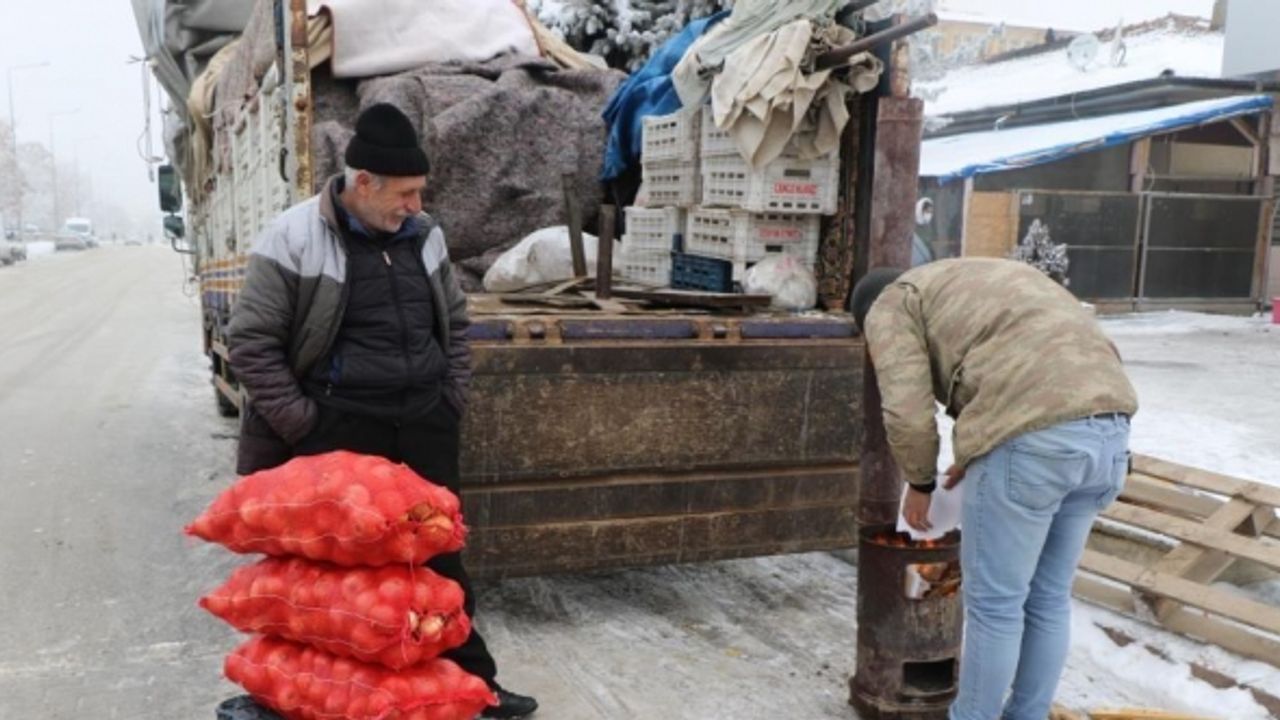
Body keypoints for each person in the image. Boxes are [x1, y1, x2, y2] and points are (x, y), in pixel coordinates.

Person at [227, 102, 537, 719]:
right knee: (330, 577)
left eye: (420, 193)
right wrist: (305, 426)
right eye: (406, 193)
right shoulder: (292, 236)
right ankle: (305, 695)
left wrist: (449, 396)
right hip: (340, 431)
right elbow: (252, 344)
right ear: (362, 183)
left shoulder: (425, 236)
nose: (416, 206)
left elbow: (454, 326)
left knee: (440, 560)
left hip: (423, 423)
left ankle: (474, 684)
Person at [850, 258, 1137, 720]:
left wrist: (920, 483)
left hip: (1033, 445)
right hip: (1108, 438)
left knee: (995, 608)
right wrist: (974, 453)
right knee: (1048, 598)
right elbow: (1057, 363)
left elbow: (906, 409)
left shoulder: (890, 302)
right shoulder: (990, 278)